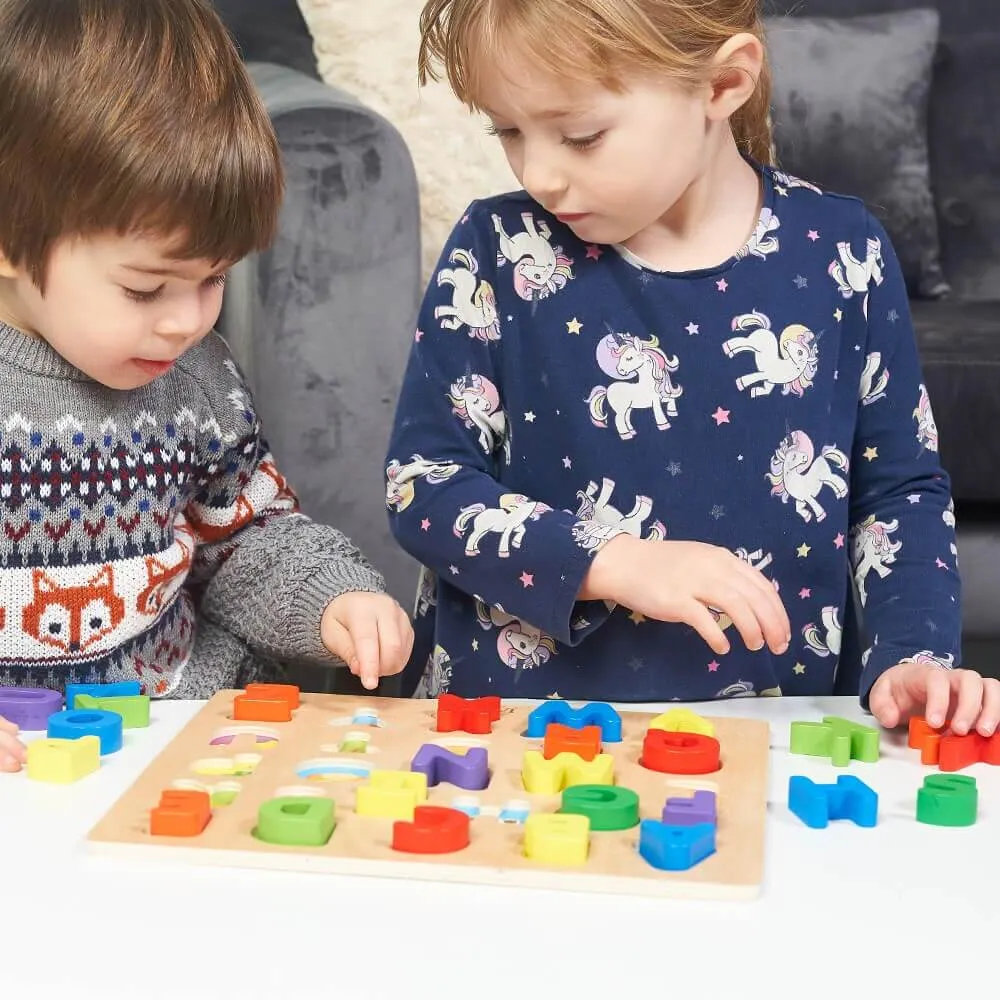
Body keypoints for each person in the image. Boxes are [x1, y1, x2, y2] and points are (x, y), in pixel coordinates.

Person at [384, 0, 999, 736]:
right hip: (511, 729)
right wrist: (608, 561)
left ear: (722, 85)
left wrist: (915, 656)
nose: (539, 174)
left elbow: (898, 491)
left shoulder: (843, 253)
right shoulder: (496, 246)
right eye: (509, 131)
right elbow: (424, 483)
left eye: (581, 136)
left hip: (775, 736)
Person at [0, 0, 412, 772]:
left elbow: (248, 540)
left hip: (186, 735)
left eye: (214, 277)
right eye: (146, 288)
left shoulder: (197, 377)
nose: (187, 321)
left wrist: (334, 599)